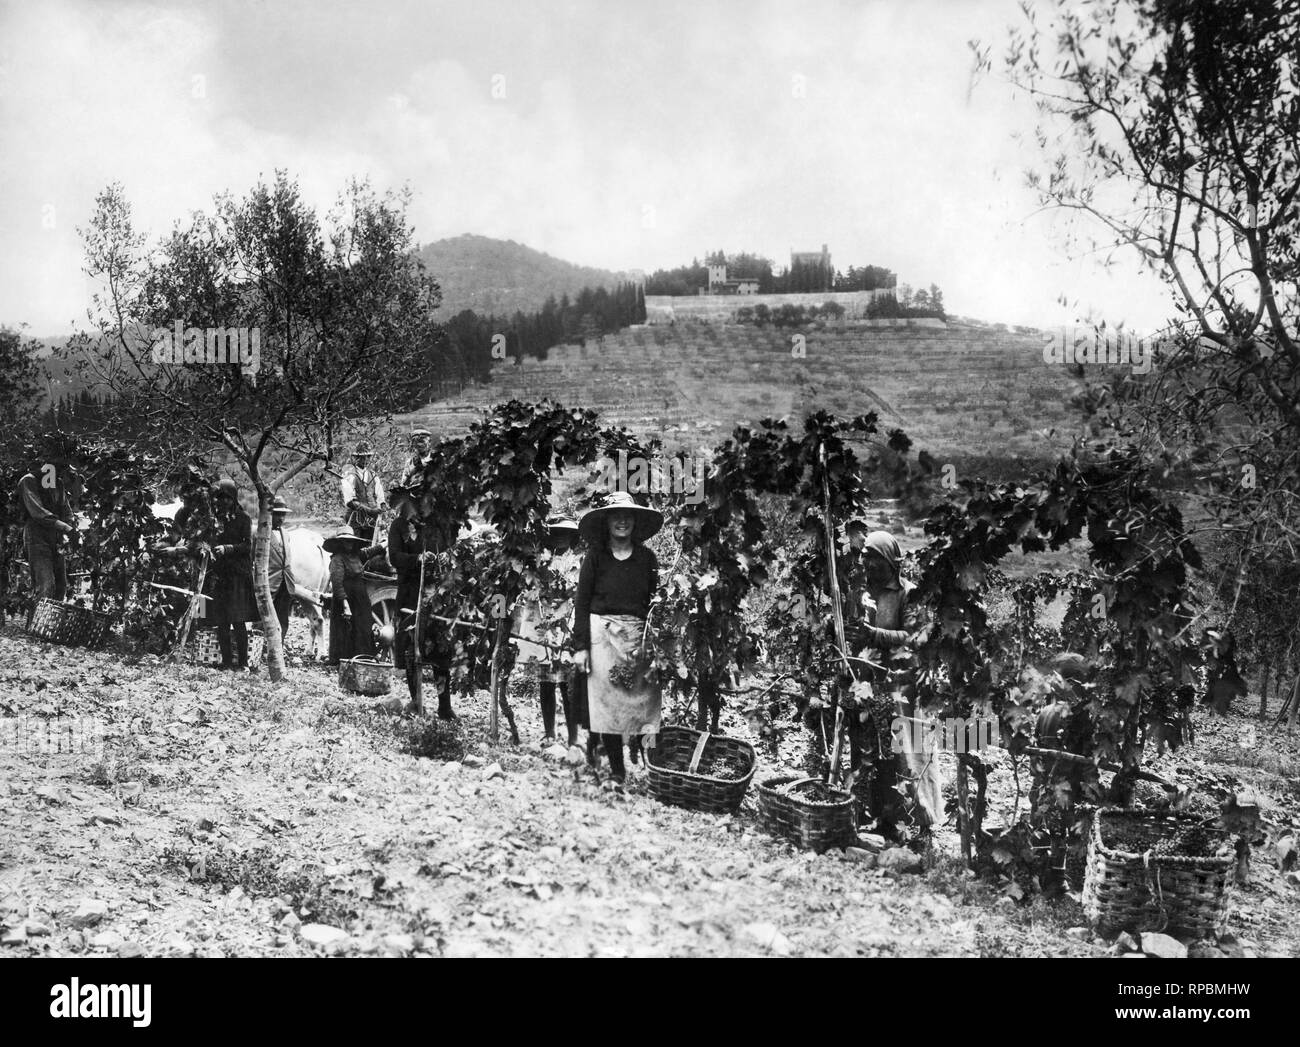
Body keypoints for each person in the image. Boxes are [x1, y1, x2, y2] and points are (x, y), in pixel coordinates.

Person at [850, 529, 942, 838]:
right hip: (867, 680)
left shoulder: (907, 594)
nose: (869, 567)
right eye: (866, 560)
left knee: (906, 750)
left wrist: (874, 636)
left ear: (891, 562)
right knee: (872, 750)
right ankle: (879, 817)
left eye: (875, 561)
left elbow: (915, 636)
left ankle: (919, 821)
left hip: (901, 684)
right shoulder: (862, 592)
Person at [572, 491, 663, 784]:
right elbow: (582, 603)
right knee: (607, 708)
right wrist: (581, 647)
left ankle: (647, 764)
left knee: (641, 703)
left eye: (627, 516)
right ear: (607, 522)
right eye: (616, 516)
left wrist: (655, 643)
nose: (622, 522)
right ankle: (617, 770)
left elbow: (655, 602)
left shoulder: (647, 559)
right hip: (602, 637)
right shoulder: (596, 557)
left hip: (638, 639)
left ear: (635, 522)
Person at [387, 482, 455, 719]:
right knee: (410, 648)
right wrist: (417, 559)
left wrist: (445, 556)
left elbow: (450, 547)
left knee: (441, 648)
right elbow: (394, 557)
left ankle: (444, 705)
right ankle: (417, 702)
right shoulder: (398, 526)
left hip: (436, 593)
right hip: (410, 592)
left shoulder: (436, 525)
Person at [16, 435, 80, 605]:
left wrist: (71, 526)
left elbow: (66, 509)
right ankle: (36, 627)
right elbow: (38, 512)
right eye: (56, 465)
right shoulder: (28, 481)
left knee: (60, 587)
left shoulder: (57, 483)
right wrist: (66, 528)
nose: (59, 469)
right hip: (36, 537)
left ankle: (49, 627)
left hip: (56, 538)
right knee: (46, 584)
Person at [208, 478, 258, 670]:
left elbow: (247, 546)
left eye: (227, 498)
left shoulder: (243, 518)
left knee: (238, 621)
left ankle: (243, 663)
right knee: (221, 621)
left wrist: (227, 549)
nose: (223, 502)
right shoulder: (214, 520)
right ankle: (227, 661)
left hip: (237, 576)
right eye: (220, 498)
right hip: (221, 576)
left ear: (234, 498)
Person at [323, 525, 383, 665]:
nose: (348, 544)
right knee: (344, 629)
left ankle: (363, 658)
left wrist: (384, 544)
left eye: (350, 541)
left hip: (360, 598)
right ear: (339, 543)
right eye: (345, 541)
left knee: (362, 627)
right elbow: (337, 584)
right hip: (345, 598)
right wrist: (345, 605)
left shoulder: (357, 556)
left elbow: (370, 552)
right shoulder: (337, 559)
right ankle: (341, 660)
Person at [341, 441, 386, 540]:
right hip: (355, 518)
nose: (365, 460)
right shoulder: (349, 475)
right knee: (354, 544)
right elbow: (350, 502)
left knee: (372, 545)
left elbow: (380, 496)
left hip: (372, 519)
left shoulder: (373, 475)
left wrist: (382, 507)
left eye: (367, 457)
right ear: (356, 458)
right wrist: (370, 510)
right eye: (362, 457)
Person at [266, 494, 295, 642]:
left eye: (283, 515)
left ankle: (279, 646)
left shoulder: (286, 533)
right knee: (265, 617)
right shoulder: (261, 533)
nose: (281, 518)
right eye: (277, 515)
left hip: (286, 582)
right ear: (269, 514)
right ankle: (263, 647)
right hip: (269, 581)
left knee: (283, 617)